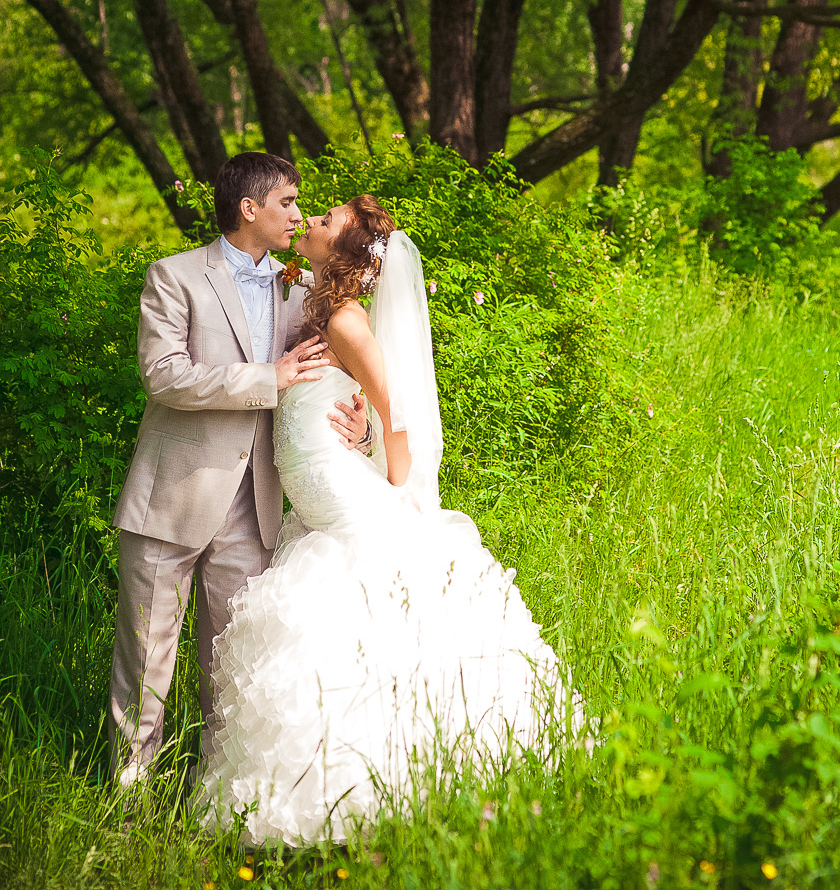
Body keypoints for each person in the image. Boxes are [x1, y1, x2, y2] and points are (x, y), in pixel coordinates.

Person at [200, 194, 577, 846]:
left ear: (343, 252)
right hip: (316, 502)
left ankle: (394, 789)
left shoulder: (347, 320)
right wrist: (365, 424)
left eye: (326, 223)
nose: (311, 223)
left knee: (366, 631)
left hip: (347, 503)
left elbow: (399, 411)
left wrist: (391, 473)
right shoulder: (317, 306)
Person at [109, 152, 373, 788]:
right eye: (288, 202)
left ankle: (219, 796)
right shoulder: (173, 277)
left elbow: (336, 383)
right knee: (146, 661)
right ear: (249, 209)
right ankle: (128, 796)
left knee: (231, 667)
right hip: (173, 496)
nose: (300, 214)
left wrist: (358, 430)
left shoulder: (303, 289)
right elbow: (164, 375)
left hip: (254, 508)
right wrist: (268, 378)